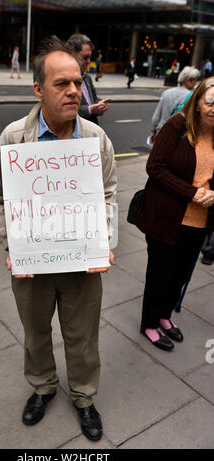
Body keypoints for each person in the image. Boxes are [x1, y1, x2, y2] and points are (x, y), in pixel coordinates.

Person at [0, 36, 117, 441]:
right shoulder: (13, 137)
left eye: (78, 82)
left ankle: (83, 396)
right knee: (36, 332)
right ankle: (42, 387)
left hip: (82, 262)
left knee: (83, 335)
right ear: (38, 89)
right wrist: (12, 244)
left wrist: (105, 241)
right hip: (33, 264)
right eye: (62, 84)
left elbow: (108, 193)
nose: (75, 91)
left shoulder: (95, 139)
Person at [134, 77, 214, 352]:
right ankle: (148, 323)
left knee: (180, 275)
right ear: (198, 101)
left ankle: (164, 317)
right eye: (210, 100)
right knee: (160, 274)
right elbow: (154, 167)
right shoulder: (178, 125)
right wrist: (191, 192)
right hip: (168, 219)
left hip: (199, 222)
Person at [150, 66, 200, 142]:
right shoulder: (192, 97)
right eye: (194, 81)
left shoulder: (166, 93)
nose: (195, 83)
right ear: (188, 80)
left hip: (161, 131)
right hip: (177, 134)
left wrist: (153, 131)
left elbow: (156, 116)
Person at [68, 33, 109, 124]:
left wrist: (99, 104)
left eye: (90, 57)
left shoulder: (87, 78)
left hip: (91, 131)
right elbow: (63, 110)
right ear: (72, 54)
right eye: (85, 57)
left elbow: (93, 99)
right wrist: (89, 110)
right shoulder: (64, 79)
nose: (88, 61)